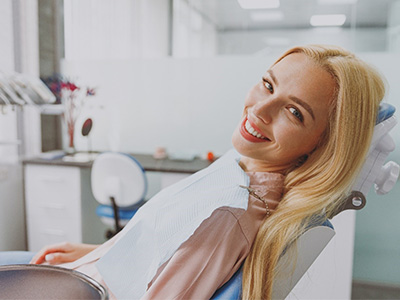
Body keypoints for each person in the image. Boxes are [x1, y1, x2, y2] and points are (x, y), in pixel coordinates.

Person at [2, 45, 385, 299]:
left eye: (294, 112)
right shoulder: (235, 167)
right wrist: (99, 252)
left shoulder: (229, 213)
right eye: (268, 84)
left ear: (321, 144)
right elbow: (161, 240)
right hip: (93, 271)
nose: (260, 110)